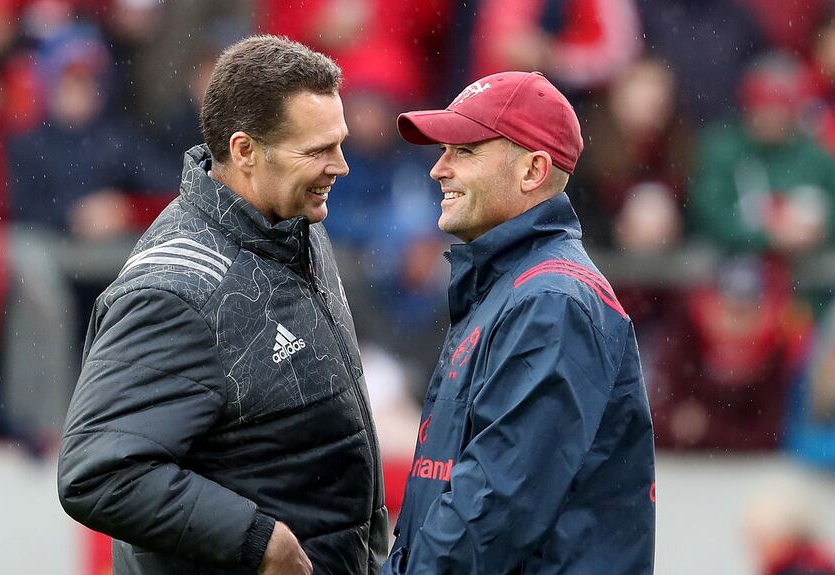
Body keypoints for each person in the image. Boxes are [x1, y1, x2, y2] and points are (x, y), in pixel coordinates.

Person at [57, 35, 387, 575]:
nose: (341, 166)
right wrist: (259, 542)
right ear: (244, 152)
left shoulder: (294, 224)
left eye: (340, 143)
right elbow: (98, 472)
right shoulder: (175, 291)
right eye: (318, 151)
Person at [382, 71, 656, 574]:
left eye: (463, 151)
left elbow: (494, 504)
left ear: (532, 171)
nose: (438, 170)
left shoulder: (552, 301)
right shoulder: (509, 287)